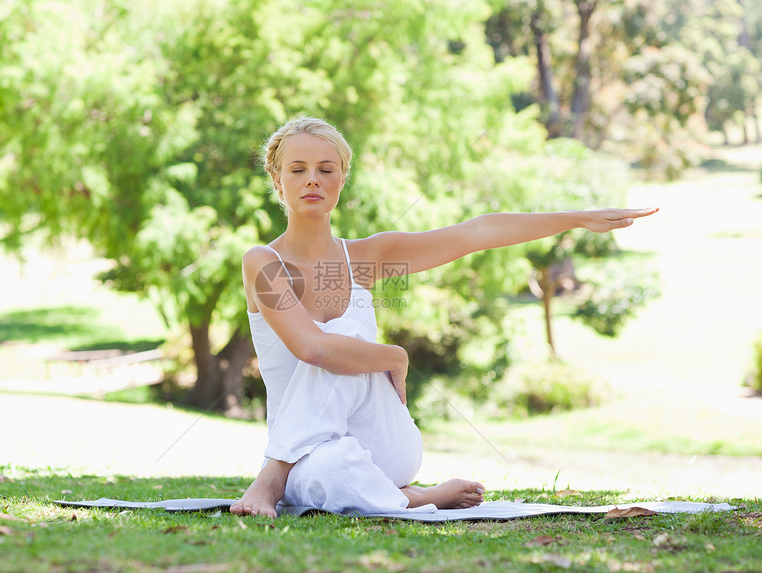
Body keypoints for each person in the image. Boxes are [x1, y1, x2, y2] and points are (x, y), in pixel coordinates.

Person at [230, 116, 657, 518]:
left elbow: (476, 233)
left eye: (326, 169)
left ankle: (270, 481)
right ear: (277, 180)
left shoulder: (366, 259)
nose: (312, 179)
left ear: (342, 179)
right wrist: (393, 356)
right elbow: (309, 348)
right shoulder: (262, 262)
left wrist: (577, 219)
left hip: (382, 438)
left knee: (342, 336)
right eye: (297, 169)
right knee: (328, 473)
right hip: (310, 455)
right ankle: (413, 497)